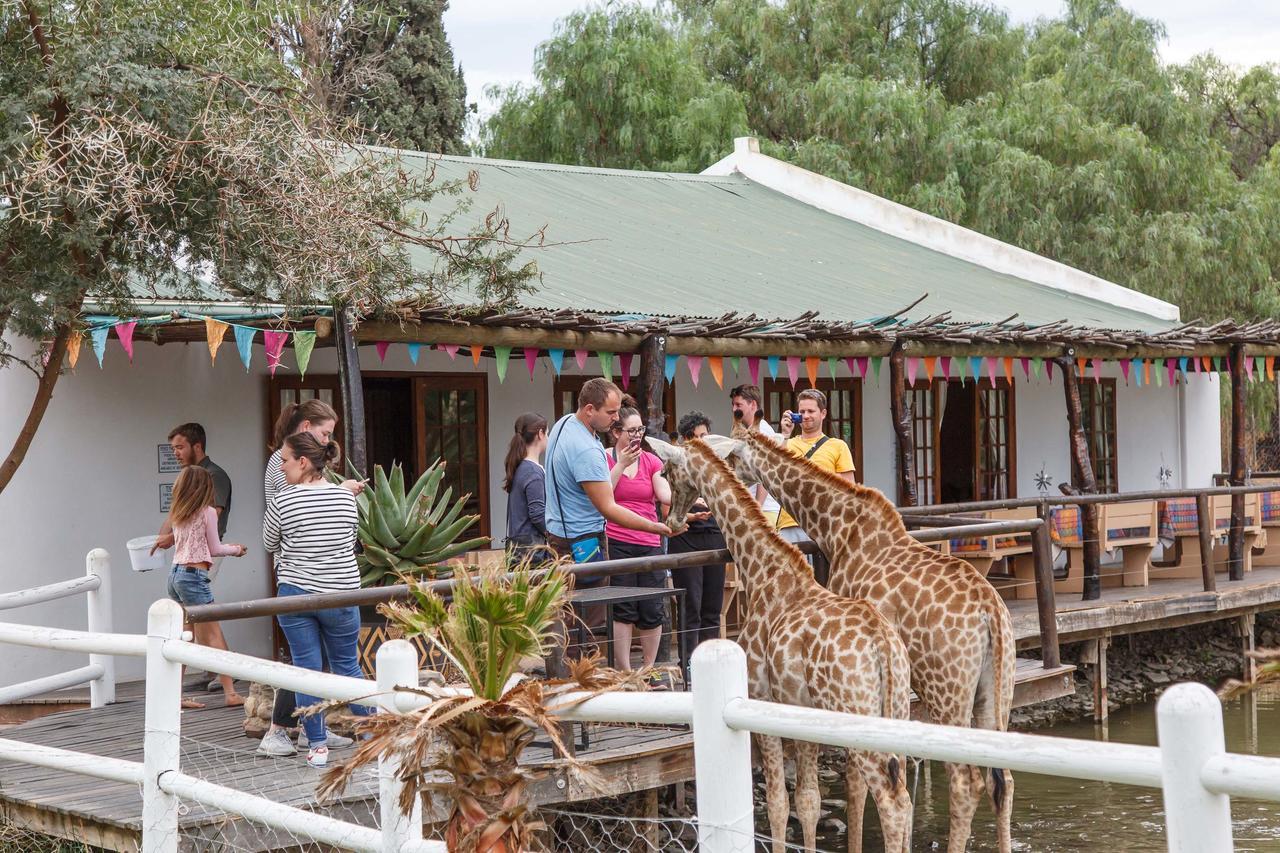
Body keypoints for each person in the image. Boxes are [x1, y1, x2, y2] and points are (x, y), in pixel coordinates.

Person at [257, 399, 362, 757]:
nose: (327, 439)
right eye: (325, 432)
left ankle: (313, 737)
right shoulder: (283, 466)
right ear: (306, 432)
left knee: (308, 665)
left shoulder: (298, 486)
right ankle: (286, 728)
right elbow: (348, 539)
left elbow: (272, 536)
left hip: (299, 581)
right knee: (334, 665)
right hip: (335, 586)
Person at [163, 465, 247, 709]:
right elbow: (215, 548)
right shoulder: (208, 512)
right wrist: (237, 549)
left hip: (175, 575)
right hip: (193, 576)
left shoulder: (179, 512)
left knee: (183, 638)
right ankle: (230, 693)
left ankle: (174, 695)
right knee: (213, 635)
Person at [604, 400, 674, 675]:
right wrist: (620, 465)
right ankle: (624, 670)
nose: (637, 436)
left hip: (649, 542)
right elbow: (603, 493)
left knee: (651, 606)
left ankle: (648, 668)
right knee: (623, 607)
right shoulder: (606, 458)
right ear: (616, 432)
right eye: (631, 431)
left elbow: (664, 494)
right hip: (617, 540)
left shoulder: (651, 461)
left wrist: (694, 503)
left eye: (640, 429)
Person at [667, 412, 727, 648]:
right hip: (685, 536)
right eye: (696, 437)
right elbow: (667, 502)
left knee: (712, 606)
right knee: (691, 606)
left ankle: (712, 661)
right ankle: (689, 665)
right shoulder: (676, 462)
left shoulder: (718, 463)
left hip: (714, 535)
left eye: (705, 435)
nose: (702, 440)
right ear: (685, 439)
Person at [776, 388, 856, 549]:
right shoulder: (787, 443)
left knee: (822, 574)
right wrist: (785, 434)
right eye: (802, 411)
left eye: (811, 411)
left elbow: (848, 490)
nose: (806, 416)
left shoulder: (838, 446)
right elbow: (777, 473)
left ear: (823, 413)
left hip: (823, 524)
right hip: (789, 522)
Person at [155, 423, 232, 556]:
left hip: (206, 549)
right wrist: (158, 542)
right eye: (173, 449)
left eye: (179, 447)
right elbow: (174, 515)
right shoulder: (188, 477)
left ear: (197, 447)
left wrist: (172, 538)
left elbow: (211, 517)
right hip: (187, 549)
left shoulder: (214, 475)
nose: (175, 453)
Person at [729, 385, 783, 525]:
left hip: (765, 511)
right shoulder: (745, 431)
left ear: (753, 404)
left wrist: (757, 507)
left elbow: (765, 472)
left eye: (738, 404)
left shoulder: (762, 432)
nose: (734, 409)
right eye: (733, 405)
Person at [504, 412, 550, 563]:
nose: (548, 438)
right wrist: (553, 536)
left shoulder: (520, 467)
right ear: (540, 434)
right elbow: (537, 514)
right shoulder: (533, 471)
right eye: (547, 433)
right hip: (532, 554)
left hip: (518, 551)